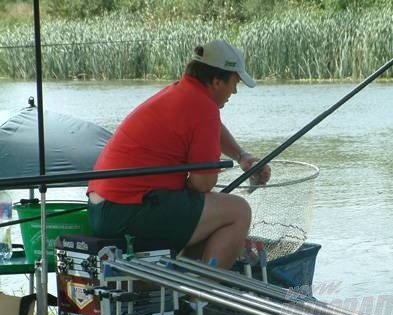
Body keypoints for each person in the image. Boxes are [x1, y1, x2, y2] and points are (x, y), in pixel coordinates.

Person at [87, 39, 270, 269]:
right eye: (235, 83)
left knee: (208, 208)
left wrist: (241, 156)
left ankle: (184, 288)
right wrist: (197, 187)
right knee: (238, 211)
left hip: (101, 208)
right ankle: (204, 297)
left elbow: (213, 129)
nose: (234, 91)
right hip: (126, 210)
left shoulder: (183, 93)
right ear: (216, 81)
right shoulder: (203, 107)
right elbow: (203, 183)